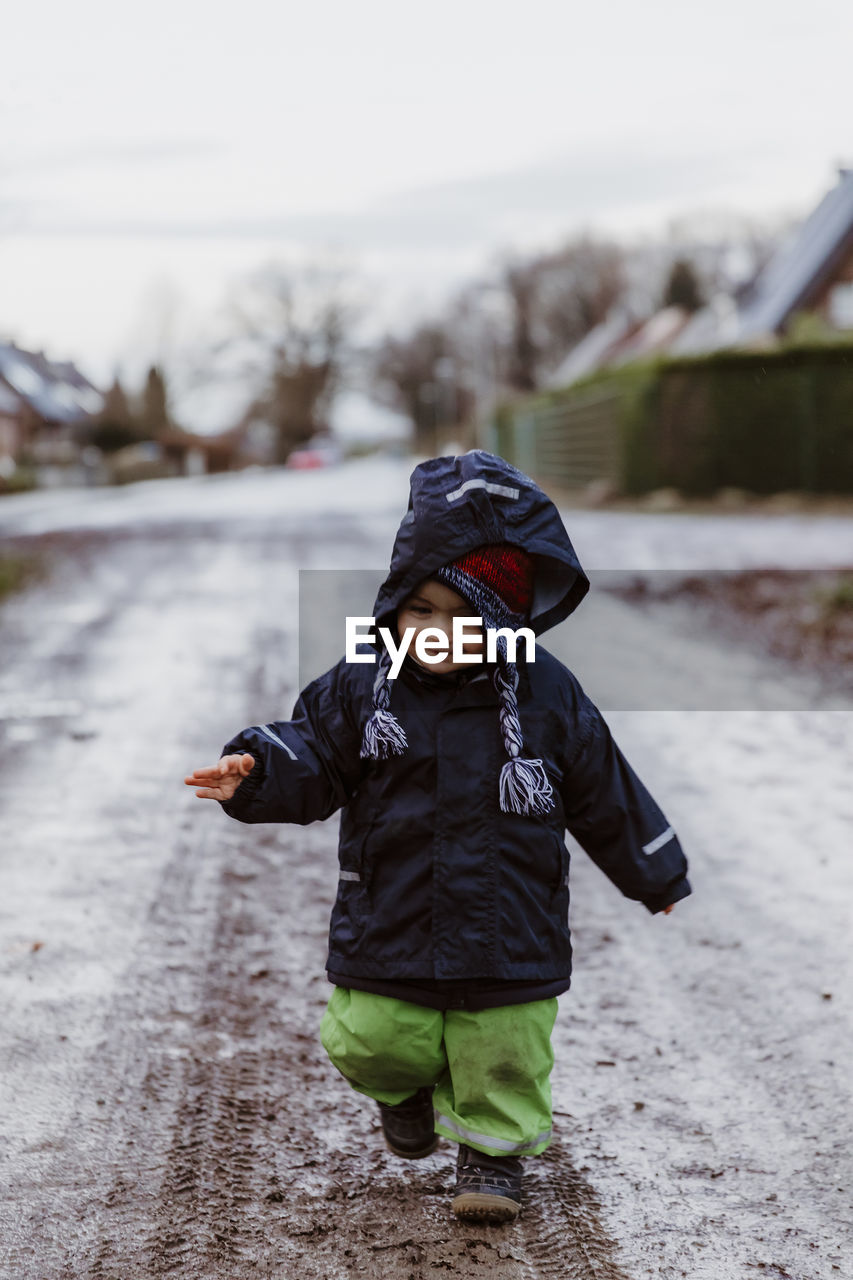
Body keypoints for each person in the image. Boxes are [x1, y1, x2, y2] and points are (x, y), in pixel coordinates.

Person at [184, 450, 690, 1224]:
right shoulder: (362, 682)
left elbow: (601, 787)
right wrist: (256, 773)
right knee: (370, 1038)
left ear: (507, 619)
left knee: (503, 1051)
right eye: (420, 610)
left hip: (507, 923)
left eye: (466, 617)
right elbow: (313, 752)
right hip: (390, 914)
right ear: (392, 607)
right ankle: (405, 1091)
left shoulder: (546, 692)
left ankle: (492, 1156)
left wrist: (653, 871)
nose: (438, 633)